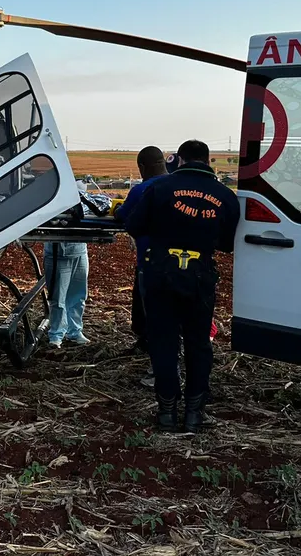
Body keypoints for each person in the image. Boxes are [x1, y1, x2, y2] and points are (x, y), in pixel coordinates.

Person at [124, 139, 239, 433]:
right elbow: (227, 244)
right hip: (200, 277)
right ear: (208, 161)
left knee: (163, 342)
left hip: (160, 273)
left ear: (182, 160)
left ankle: (166, 413)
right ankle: (193, 415)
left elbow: (134, 226)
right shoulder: (225, 196)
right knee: (198, 344)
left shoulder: (158, 189)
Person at [114, 146, 171, 356]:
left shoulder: (142, 189)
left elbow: (122, 216)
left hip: (149, 261)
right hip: (178, 262)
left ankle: (151, 348)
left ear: (142, 167)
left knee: (147, 308)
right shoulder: (177, 185)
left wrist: (116, 208)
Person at [44, 182, 90, 348]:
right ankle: (56, 334)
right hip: (58, 253)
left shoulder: (82, 201)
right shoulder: (52, 200)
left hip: (79, 251)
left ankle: (74, 331)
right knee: (58, 299)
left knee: (78, 296)